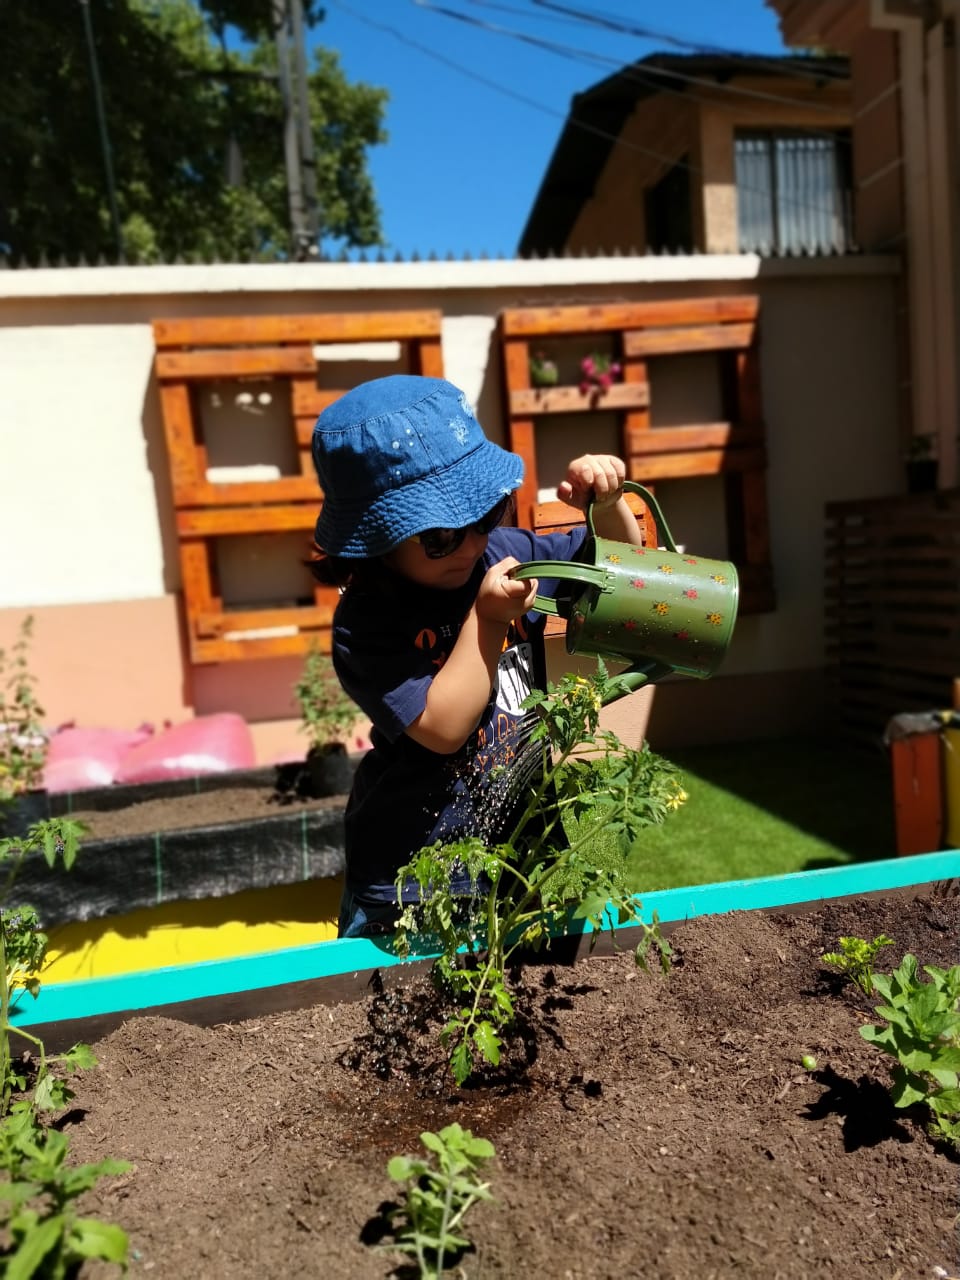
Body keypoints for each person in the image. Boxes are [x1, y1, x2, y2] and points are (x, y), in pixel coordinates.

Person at [309, 374, 644, 938]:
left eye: (485, 514)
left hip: (516, 851)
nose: (469, 545)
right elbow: (444, 727)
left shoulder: (501, 551)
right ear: (375, 539)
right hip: (415, 873)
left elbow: (617, 577)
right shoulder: (367, 623)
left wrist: (607, 505)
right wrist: (487, 620)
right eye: (439, 536)